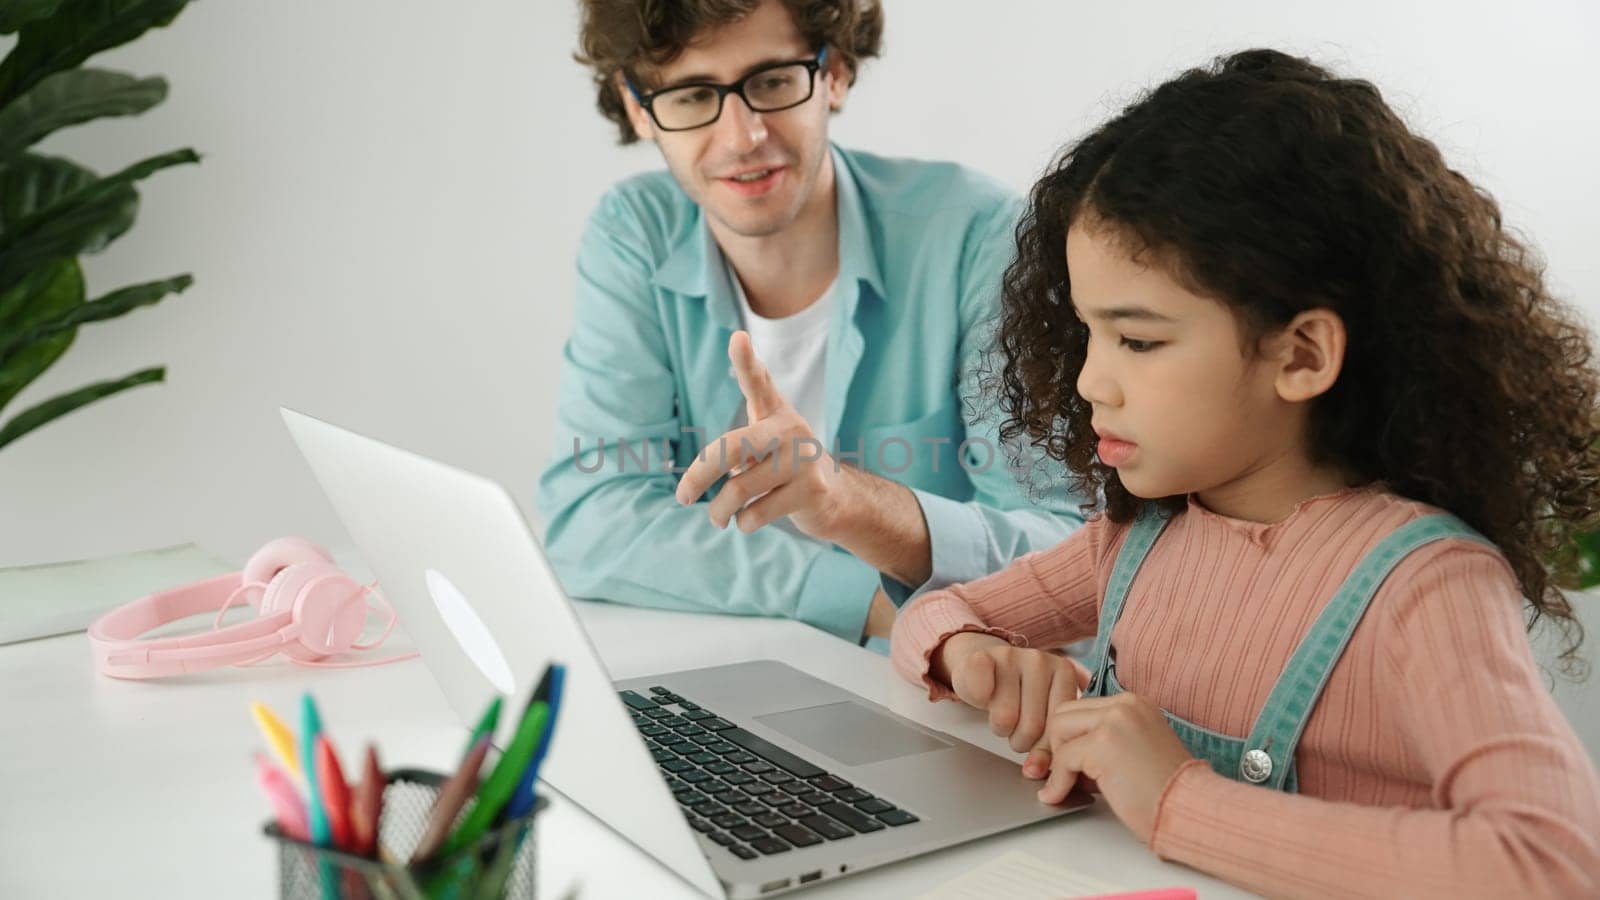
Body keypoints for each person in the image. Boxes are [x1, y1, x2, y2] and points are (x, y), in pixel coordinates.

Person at [891, 49, 1600, 897]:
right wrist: (974, 656)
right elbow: (938, 610)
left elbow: (1552, 863)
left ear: (1300, 355)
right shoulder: (1138, 541)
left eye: (1139, 340)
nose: (1087, 380)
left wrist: (1176, 801)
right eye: (1088, 332)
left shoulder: (1424, 587)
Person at [537, 0, 1085, 644]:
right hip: (736, 662)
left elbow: (1065, 554)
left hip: (958, 692)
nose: (742, 137)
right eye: (690, 95)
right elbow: (590, 519)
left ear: (836, 72)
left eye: (772, 82)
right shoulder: (636, 232)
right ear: (637, 106)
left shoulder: (976, 234)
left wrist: (849, 505)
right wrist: (868, 604)